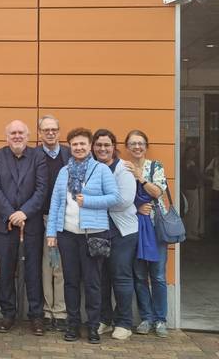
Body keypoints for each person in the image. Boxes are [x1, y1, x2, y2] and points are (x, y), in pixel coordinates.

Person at [46, 127, 119, 344]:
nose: (78, 148)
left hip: (93, 235)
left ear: (90, 147)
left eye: (82, 144)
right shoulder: (64, 172)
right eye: (75, 144)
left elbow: (114, 197)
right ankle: (73, 325)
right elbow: (56, 203)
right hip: (67, 235)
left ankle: (93, 327)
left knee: (92, 283)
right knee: (70, 282)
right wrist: (52, 232)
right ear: (71, 147)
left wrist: (88, 201)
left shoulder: (101, 170)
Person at [0, 120, 47, 335]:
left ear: (28, 136)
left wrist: (24, 212)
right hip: (4, 224)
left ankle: (36, 315)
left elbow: (42, 189)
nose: (17, 136)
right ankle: (8, 314)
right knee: (5, 270)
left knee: (33, 271)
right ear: (6, 137)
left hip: (30, 224)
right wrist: (12, 215)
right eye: (13, 133)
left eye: (21, 132)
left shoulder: (38, 156)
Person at [92, 129, 137, 340]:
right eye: (99, 145)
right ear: (94, 147)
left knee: (121, 277)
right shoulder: (92, 168)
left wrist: (94, 202)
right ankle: (105, 319)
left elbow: (124, 201)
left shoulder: (123, 169)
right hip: (98, 230)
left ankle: (124, 323)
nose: (102, 149)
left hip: (122, 232)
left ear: (114, 147)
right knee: (101, 278)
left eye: (106, 145)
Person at [125, 130, 169, 338]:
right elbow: (120, 199)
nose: (137, 147)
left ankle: (161, 320)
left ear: (146, 146)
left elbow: (157, 192)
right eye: (133, 143)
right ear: (127, 147)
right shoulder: (122, 168)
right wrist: (137, 208)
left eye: (140, 143)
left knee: (158, 276)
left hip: (156, 228)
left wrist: (140, 178)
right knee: (139, 276)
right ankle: (146, 318)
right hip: (134, 228)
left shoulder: (156, 166)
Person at [35, 114, 70, 331]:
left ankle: (61, 311)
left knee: (61, 267)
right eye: (46, 130)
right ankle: (48, 311)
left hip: (64, 219)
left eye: (54, 129)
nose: (50, 133)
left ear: (59, 131)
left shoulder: (69, 153)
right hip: (40, 217)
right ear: (39, 133)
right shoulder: (33, 154)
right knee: (46, 265)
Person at [182, 144, 202, 240]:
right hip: (190, 189)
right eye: (192, 151)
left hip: (189, 188)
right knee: (192, 211)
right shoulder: (189, 163)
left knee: (191, 211)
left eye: (195, 152)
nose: (194, 153)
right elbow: (197, 175)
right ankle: (190, 233)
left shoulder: (186, 162)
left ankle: (191, 231)